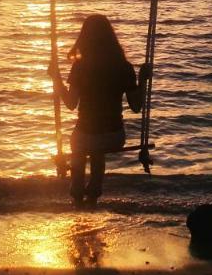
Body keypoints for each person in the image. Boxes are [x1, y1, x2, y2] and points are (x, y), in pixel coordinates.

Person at [48, 14, 150, 207]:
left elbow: (70, 104)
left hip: (87, 136)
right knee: (97, 149)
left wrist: (56, 79)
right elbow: (136, 107)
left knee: (80, 142)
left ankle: (78, 193)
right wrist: (143, 80)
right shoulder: (123, 66)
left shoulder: (80, 67)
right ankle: (94, 192)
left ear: (85, 37)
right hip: (114, 135)